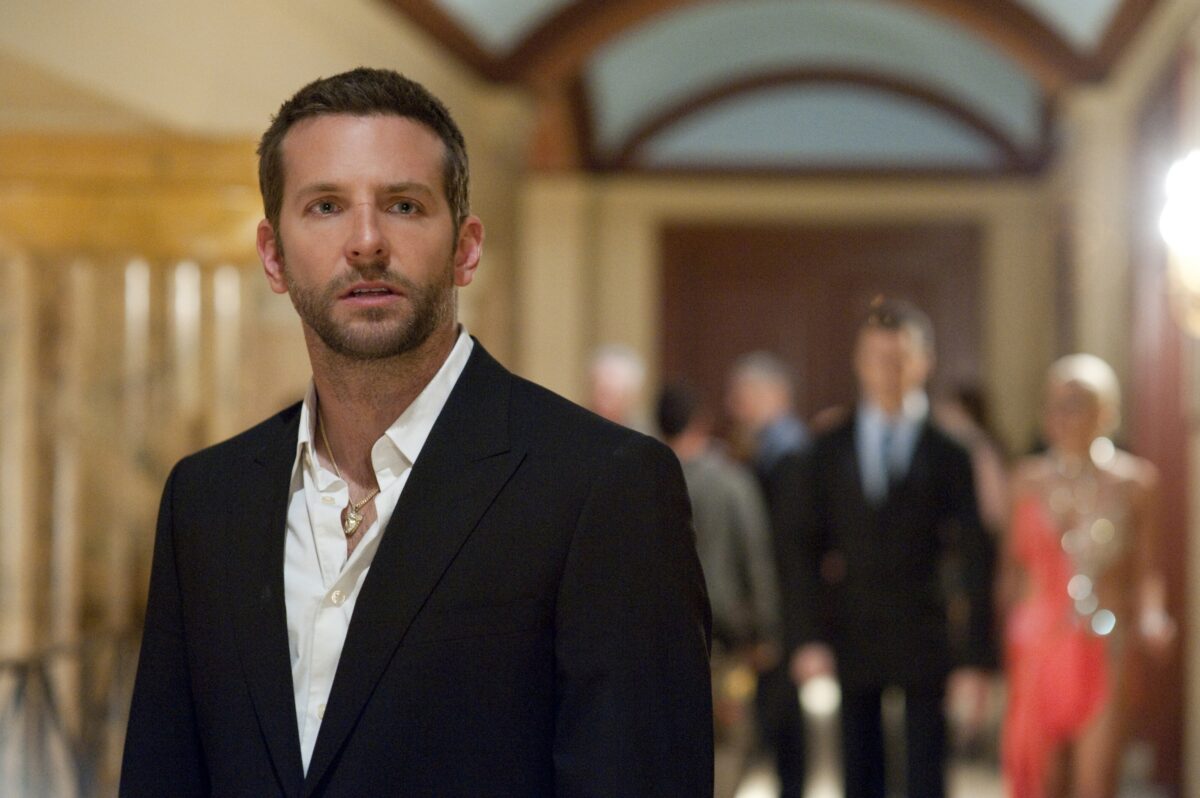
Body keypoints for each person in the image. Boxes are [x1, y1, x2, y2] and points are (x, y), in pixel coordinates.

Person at [120, 68, 713, 796]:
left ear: (466, 248)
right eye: (326, 206)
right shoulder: (207, 499)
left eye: (403, 205)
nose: (366, 242)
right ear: (273, 256)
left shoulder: (603, 485)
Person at [774, 297, 995, 798]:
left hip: (926, 631)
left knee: (926, 772)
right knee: (858, 769)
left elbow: (975, 555)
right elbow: (801, 547)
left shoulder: (951, 452)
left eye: (900, 358)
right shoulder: (827, 448)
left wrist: (975, 656)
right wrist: (805, 636)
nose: (888, 371)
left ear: (925, 362)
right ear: (858, 361)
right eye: (877, 358)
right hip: (852, 628)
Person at [1001, 354, 1174, 798]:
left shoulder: (1136, 483)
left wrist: (1152, 616)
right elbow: (1010, 573)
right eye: (1054, 404)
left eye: (1076, 403)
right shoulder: (1026, 480)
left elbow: (1148, 571)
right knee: (1043, 780)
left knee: (1095, 781)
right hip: (1040, 647)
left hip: (1104, 644)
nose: (1062, 416)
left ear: (1107, 411)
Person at [658, 382, 781, 797]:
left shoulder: (642, 480)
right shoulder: (731, 481)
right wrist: (765, 630)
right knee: (726, 746)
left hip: (659, 640)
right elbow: (756, 557)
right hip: (724, 642)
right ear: (701, 422)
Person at [725, 352, 809, 798]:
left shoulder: (790, 455)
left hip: (785, 603)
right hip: (775, 602)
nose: (735, 408)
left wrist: (769, 618)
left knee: (783, 716)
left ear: (773, 395)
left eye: (743, 397)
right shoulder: (765, 451)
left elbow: (784, 547)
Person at [587, 343, 650, 431]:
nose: (601, 403)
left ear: (630, 398)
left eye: (609, 394)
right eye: (599, 391)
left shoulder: (640, 434)